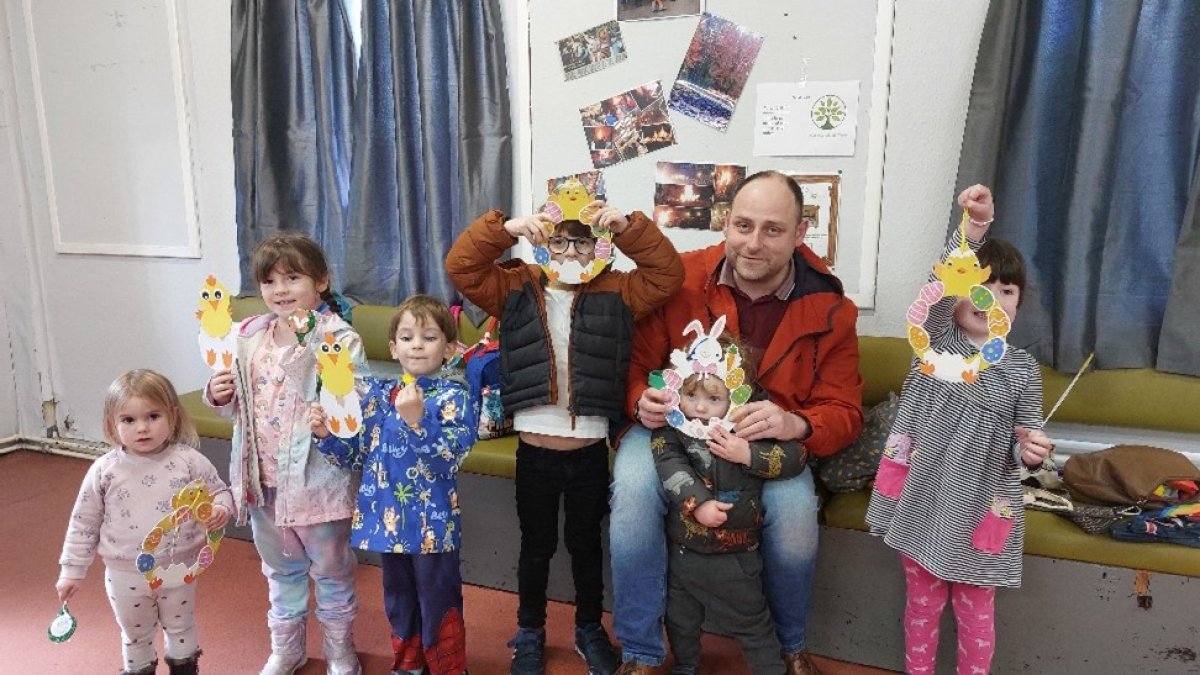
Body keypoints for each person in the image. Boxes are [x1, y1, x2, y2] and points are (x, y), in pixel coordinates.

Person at [616, 170, 864, 675]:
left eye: (773, 230)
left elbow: (845, 412)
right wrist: (641, 399)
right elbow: (631, 366)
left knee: (796, 521)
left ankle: (790, 646)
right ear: (725, 223)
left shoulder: (833, 310)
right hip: (672, 435)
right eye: (743, 225)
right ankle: (640, 651)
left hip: (766, 447)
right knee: (634, 494)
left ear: (800, 235)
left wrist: (795, 423)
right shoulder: (678, 277)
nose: (753, 243)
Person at [446, 200, 684, 675]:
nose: (570, 251)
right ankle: (530, 630)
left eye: (581, 241)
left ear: (599, 247)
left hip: (589, 450)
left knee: (585, 546)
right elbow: (462, 266)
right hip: (535, 450)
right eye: (558, 240)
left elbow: (666, 274)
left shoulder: (616, 291)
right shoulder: (515, 286)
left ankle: (589, 627)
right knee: (535, 547)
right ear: (542, 243)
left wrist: (629, 227)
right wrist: (507, 227)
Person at [864, 185, 1052, 674]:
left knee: (977, 613)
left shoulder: (1024, 370)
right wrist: (974, 229)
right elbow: (942, 280)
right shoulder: (935, 344)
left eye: (1006, 291)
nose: (992, 299)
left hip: (981, 507)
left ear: (1019, 305)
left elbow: (1024, 443)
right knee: (921, 607)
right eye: (981, 288)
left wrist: (1030, 453)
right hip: (923, 500)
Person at [205, 234, 363, 675]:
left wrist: (330, 408)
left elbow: (356, 402)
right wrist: (218, 393)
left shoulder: (339, 337)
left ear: (322, 281)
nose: (280, 289)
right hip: (262, 480)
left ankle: (339, 651)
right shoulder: (249, 336)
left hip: (317, 482)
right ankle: (287, 649)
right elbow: (242, 400)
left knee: (331, 569)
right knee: (280, 569)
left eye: (293, 277)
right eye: (270, 281)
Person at [309, 294, 478, 675]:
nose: (416, 345)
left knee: (438, 598)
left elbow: (448, 459)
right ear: (392, 346)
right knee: (398, 599)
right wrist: (325, 435)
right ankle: (408, 664)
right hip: (385, 524)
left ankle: (448, 668)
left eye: (429, 337)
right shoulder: (376, 399)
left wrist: (419, 421)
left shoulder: (455, 398)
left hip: (433, 528)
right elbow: (355, 457)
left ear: (450, 348)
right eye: (406, 337)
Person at [651, 330, 809, 675]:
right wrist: (699, 503)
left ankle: (771, 669)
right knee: (680, 620)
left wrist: (748, 454)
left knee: (753, 623)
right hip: (684, 550)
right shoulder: (672, 430)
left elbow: (795, 458)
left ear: (736, 398)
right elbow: (669, 465)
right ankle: (685, 666)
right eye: (691, 395)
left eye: (713, 398)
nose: (701, 407)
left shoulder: (749, 426)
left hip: (737, 557)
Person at [57, 369, 234, 675]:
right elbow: (83, 523)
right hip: (125, 572)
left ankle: (185, 668)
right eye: (129, 420)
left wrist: (220, 508)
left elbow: (220, 491)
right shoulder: (105, 470)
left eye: (153, 416)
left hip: (178, 568)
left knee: (181, 627)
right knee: (135, 635)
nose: (142, 428)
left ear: (173, 416)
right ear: (112, 423)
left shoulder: (188, 460)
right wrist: (72, 571)